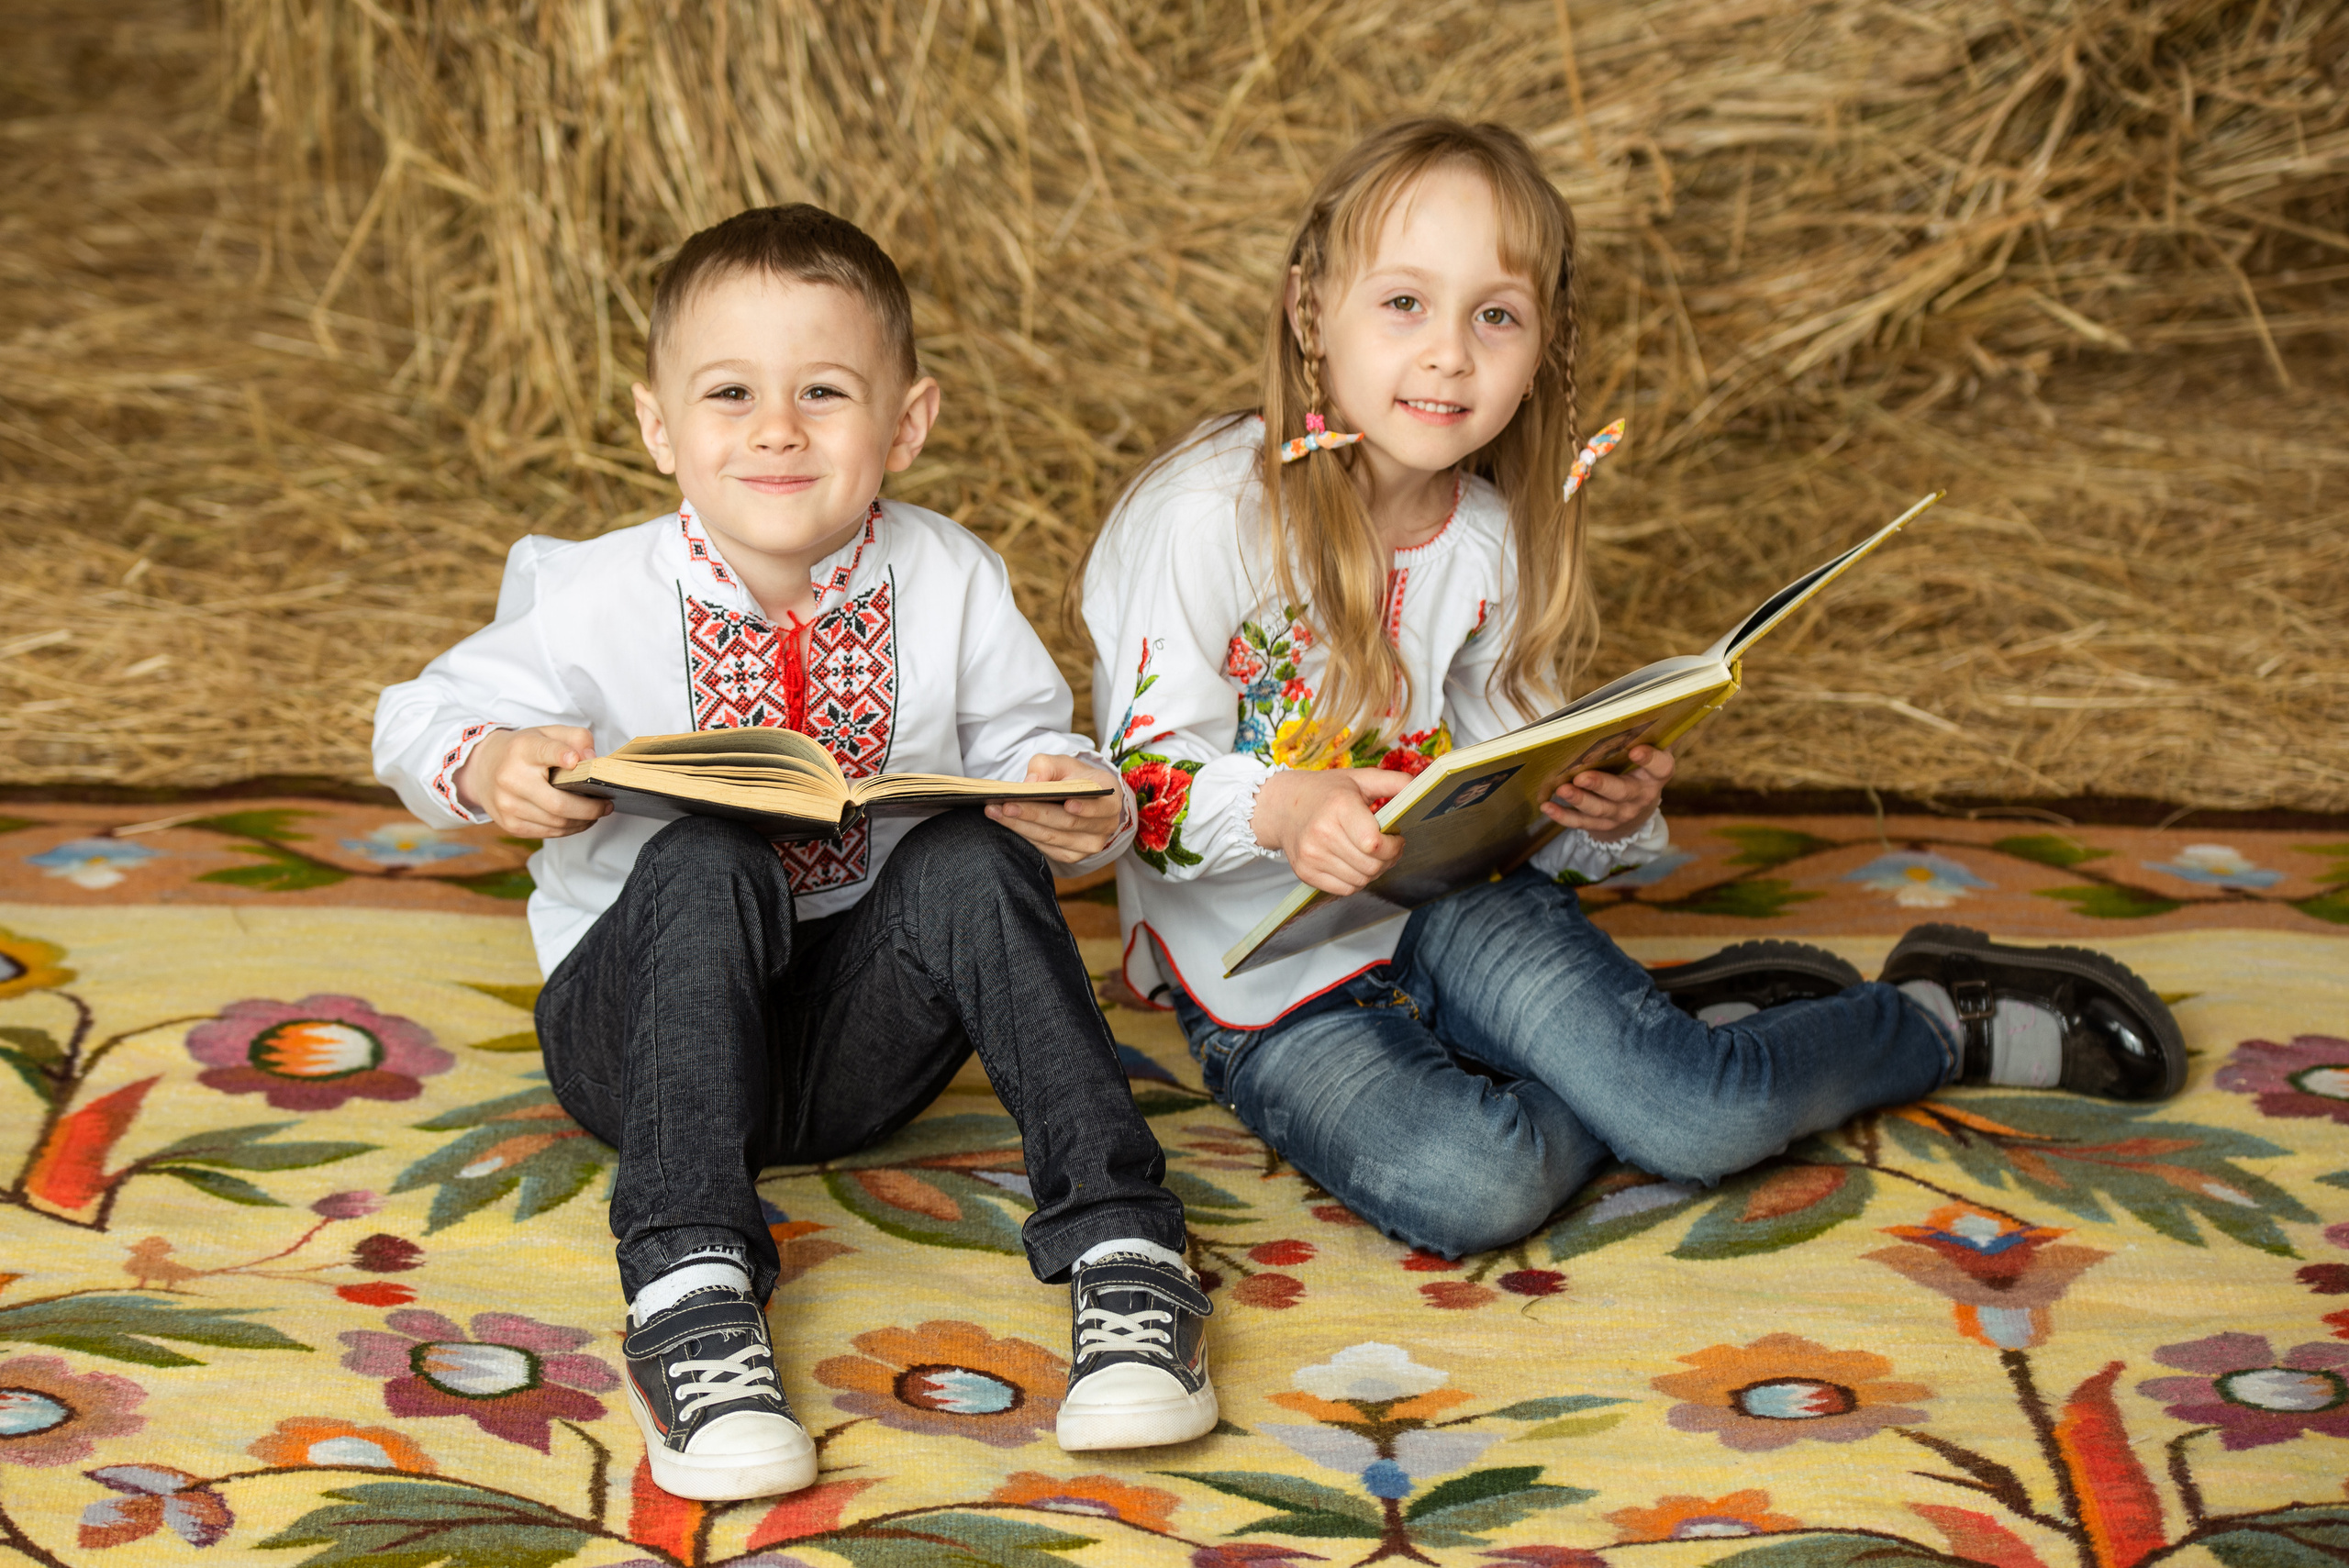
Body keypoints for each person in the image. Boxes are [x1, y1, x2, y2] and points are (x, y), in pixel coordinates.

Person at [1080, 117, 2184, 1264]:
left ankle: (1917, 1019)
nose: (1450, 353)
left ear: (1542, 343)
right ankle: (1659, 1051)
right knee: (1474, 1186)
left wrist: (1593, 805)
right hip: (1262, 970)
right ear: (1311, 310)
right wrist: (1285, 810)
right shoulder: (1204, 517)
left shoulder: (1494, 541)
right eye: (1403, 302)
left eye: (1494, 315)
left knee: (1707, 1122)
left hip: (1455, 905)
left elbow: (1498, 779)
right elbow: (1134, 789)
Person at [375, 205, 1217, 1504]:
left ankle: (1126, 1253)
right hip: (634, 1046)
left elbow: (1039, 744)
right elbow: (412, 716)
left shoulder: (949, 578)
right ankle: (689, 1292)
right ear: (660, 426)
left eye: (824, 393)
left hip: (853, 1058)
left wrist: (1072, 797)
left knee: (969, 859)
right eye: (731, 393)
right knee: (711, 853)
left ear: (907, 423)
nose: (777, 429)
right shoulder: (593, 590)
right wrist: (490, 763)